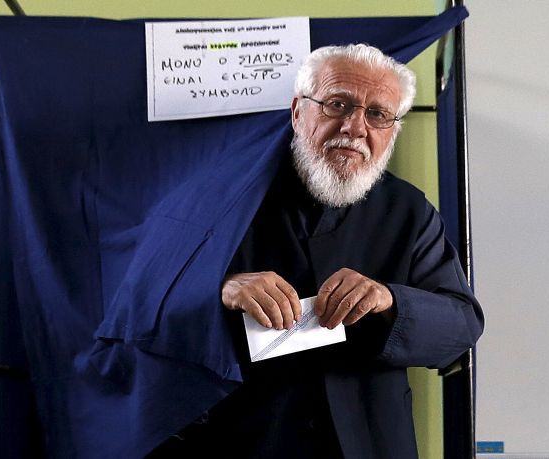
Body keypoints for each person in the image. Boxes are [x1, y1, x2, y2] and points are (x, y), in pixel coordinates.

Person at [148, 43, 484, 459]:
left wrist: (390, 301)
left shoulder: (409, 212)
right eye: (337, 104)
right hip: (237, 438)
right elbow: (138, 303)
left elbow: (461, 326)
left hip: (368, 441)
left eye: (377, 114)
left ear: (392, 130)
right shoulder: (217, 194)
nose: (354, 127)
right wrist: (221, 287)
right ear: (297, 111)